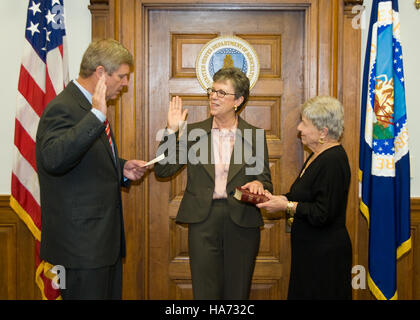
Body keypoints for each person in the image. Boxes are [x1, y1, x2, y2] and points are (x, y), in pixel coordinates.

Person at [36, 39, 148, 300]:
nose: (125, 84)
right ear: (100, 73)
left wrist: (122, 168)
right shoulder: (63, 108)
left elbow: (85, 160)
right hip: (80, 249)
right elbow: (54, 159)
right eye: (121, 76)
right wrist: (96, 117)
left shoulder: (89, 107)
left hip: (100, 246)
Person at [154, 67, 272, 300]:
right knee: (205, 292)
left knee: (237, 292)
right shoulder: (194, 133)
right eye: (212, 91)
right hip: (203, 220)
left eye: (221, 93)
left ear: (238, 100)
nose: (214, 97)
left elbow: (265, 180)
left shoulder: (253, 135)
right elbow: (163, 169)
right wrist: (171, 131)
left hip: (242, 220)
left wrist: (258, 183)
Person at [257, 96, 352, 300]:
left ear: (323, 132)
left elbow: (323, 213)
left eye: (304, 123)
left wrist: (287, 206)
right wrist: (277, 198)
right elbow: (303, 195)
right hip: (310, 253)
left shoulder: (333, 161)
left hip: (325, 256)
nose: (299, 128)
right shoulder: (317, 155)